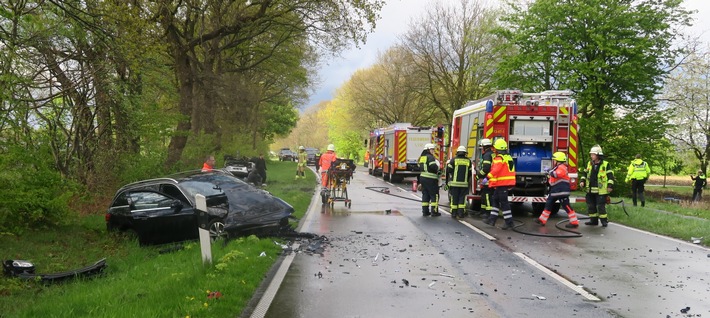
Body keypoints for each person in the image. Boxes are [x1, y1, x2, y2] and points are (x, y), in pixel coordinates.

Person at [535, 152, 580, 228]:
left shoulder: (562, 167)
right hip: (555, 190)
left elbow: (556, 174)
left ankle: (574, 222)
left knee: (566, 205)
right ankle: (542, 220)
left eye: (555, 160)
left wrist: (549, 171)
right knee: (548, 204)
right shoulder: (557, 167)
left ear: (558, 160)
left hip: (561, 190)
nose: (554, 161)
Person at [483, 139, 516, 230]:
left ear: (497, 149)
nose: (494, 150)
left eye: (495, 149)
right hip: (503, 184)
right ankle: (492, 220)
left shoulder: (499, 158)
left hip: (502, 183)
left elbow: (495, 170)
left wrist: (487, 178)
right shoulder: (508, 157)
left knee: (504, 203)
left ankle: (509, 223)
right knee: (496, 200)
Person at [579, 145, 615, 227]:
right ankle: (593, 221)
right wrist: (582, 181)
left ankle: (604, 221)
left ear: (598, 155)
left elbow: (610, 176)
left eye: (593, 154)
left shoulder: (605, 164)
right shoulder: (589, 163)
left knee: (601, 206)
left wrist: (610, 186)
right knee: (591, 206)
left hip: (601, 191)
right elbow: (585, 174)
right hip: (590, 190)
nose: (591, 156)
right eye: (591, 154)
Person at [446, 146, 472, 219]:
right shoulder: (468, 161)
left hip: (454, 184)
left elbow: (449, 170)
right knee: (462, 199)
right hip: (464, 184)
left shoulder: (453, 160)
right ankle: (461, 213)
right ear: (464, 153)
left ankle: (454, 213)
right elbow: (470, 173)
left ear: (457, 152)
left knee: (454, 198)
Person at [417, 143, 441, 216]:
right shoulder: (430, 157)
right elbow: (433, 166)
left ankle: (425, 211)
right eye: (432, 149)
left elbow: (419, 166)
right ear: (428, 149)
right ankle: (434, 212)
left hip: (423, 178)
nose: (433, 151)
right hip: (431, 178)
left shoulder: (422, 157)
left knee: (425, 194)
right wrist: (438, 170)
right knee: (434, 195)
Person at [475, 139, 494, 218]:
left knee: (487, 196)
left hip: (487, 179)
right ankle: (482, 211)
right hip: (490, 178)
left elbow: (486, 168)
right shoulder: (491, 154)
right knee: (483, 195)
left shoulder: (487, 155)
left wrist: (478, 176)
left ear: (484, 147)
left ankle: (488, 213)